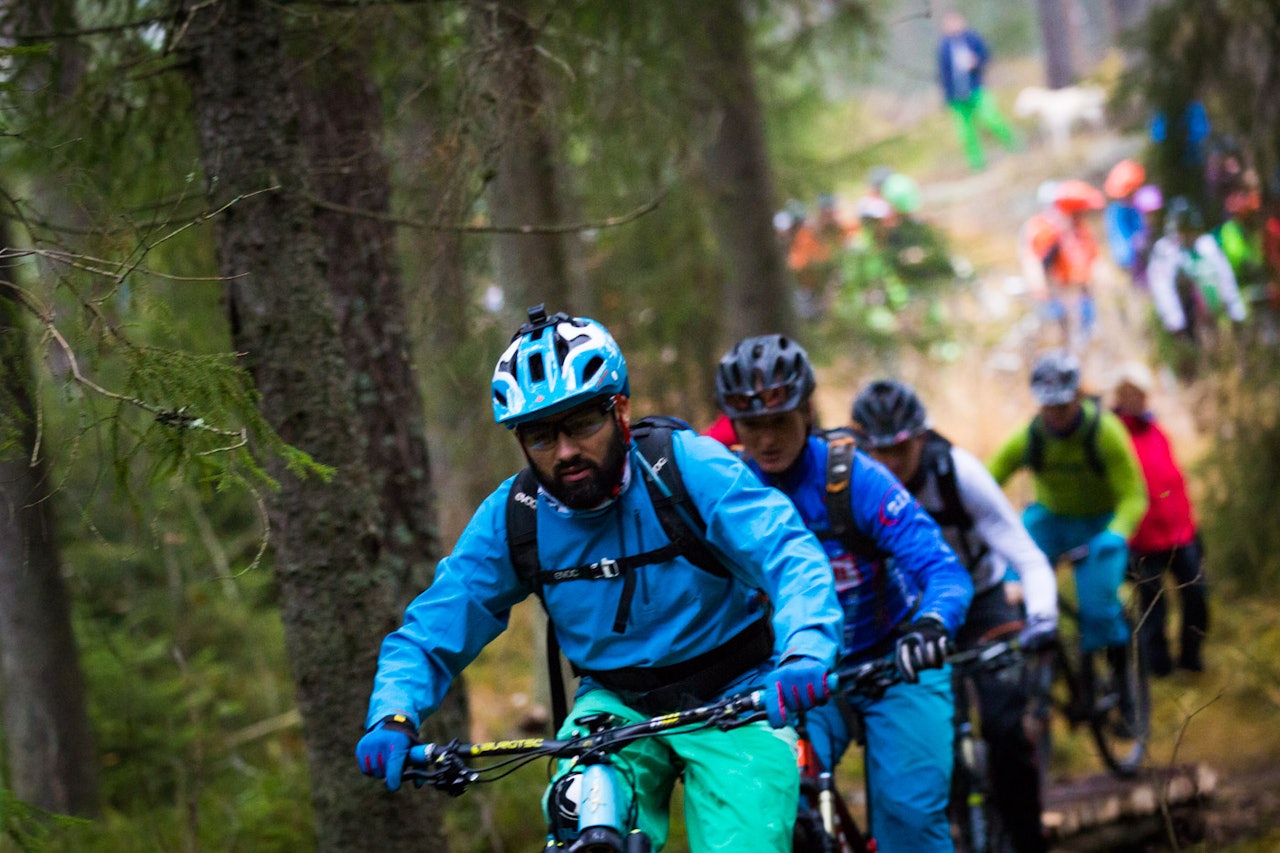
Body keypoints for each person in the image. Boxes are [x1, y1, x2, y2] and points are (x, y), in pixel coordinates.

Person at [356, 308, 843, 852]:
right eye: (540, 436)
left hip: (736, 695)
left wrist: (805, 649)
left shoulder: (686, 468)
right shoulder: (514, 516)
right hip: (614, 705)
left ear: (621, 410)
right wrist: (394, 712)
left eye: (583, 423)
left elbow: (788, 553)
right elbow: (433, 627)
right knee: (582, 827)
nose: (565, 452)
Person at [715, 335, 973, 853]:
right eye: (751, 426)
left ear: (807, 410)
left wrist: (931, 625)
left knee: (909, 821)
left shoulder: (852, 476)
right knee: (776, 809)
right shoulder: (726, 486)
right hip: (796, 675)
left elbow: (944, 570)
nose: (766, 440)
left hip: (895, 660)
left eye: (779, 420)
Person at [852, 379, 1057, 853]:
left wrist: (1043, 618)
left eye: (900, 448)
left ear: (921, 437)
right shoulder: (854, 486)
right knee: (929, 746)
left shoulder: (957, 473)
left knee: (1005, 727)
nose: (889, 463)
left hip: (982, 601)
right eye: (877, 451)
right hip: (912, 615)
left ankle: (1029, 839)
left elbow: (1026, 556)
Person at [987, 351, 1148, 719]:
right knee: (1013, 582)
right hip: (1051, 521)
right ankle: (1034, 662)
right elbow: (986, 483)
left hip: (1099, 528)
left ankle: (1126, 695)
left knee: (1098, 610)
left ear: (1078, 395)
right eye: (1048, 406)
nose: (1056, 414)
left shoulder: (1105, 432)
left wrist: (1117, 532)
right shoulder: (1030, 437)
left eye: (1063, 404)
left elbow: (1133, 494)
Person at [1111, 361, 1209, 675]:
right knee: (1153, 608)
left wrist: (1193, 523)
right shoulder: (1113, 436)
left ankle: (1191, 658)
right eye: (1127, 393)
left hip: (1181, 534)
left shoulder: (1157, 431)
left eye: (1138, 393)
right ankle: (1160, 667)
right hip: (1141, 541)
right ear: (1119, 395)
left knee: (1196, 596)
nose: (1133, 399)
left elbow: (1174, 481)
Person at [1146, 196, 1247, 366]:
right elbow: (1162, 287)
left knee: (1223, 357)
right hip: (1187, 321)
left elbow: (1224, 275)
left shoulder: (1206, 245)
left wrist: (1236, 308)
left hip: (1214, 315)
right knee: (1197, 361)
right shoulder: (1166, 251)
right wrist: (1174, 320)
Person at [1024, 180, 1105, 353]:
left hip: (1082, 293)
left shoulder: (1079, 230)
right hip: (1061, 295)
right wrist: (1041, 288)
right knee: (1067, 343)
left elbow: (1091, 257)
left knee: (1088, 340)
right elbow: (1035, 261)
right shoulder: (1047, 229)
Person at [936, 11, 1018, 171]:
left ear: (961, 21)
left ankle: (1013, 143)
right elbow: (942, 73)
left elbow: (987, 56)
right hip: (957, 96)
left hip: (976, 88)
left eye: (954, 22)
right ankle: (976, 163)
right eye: (947, 24)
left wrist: (976, 62)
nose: (951, 26)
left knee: (991, 118)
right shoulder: (944, 46)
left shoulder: (972, 38)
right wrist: (946, 98)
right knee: (966, 132)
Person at [1103, 160, 1150, 285]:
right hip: (1131, 255)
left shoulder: (1123, 208)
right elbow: (1124, 236)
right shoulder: (1120, 210)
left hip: (1132, 254)